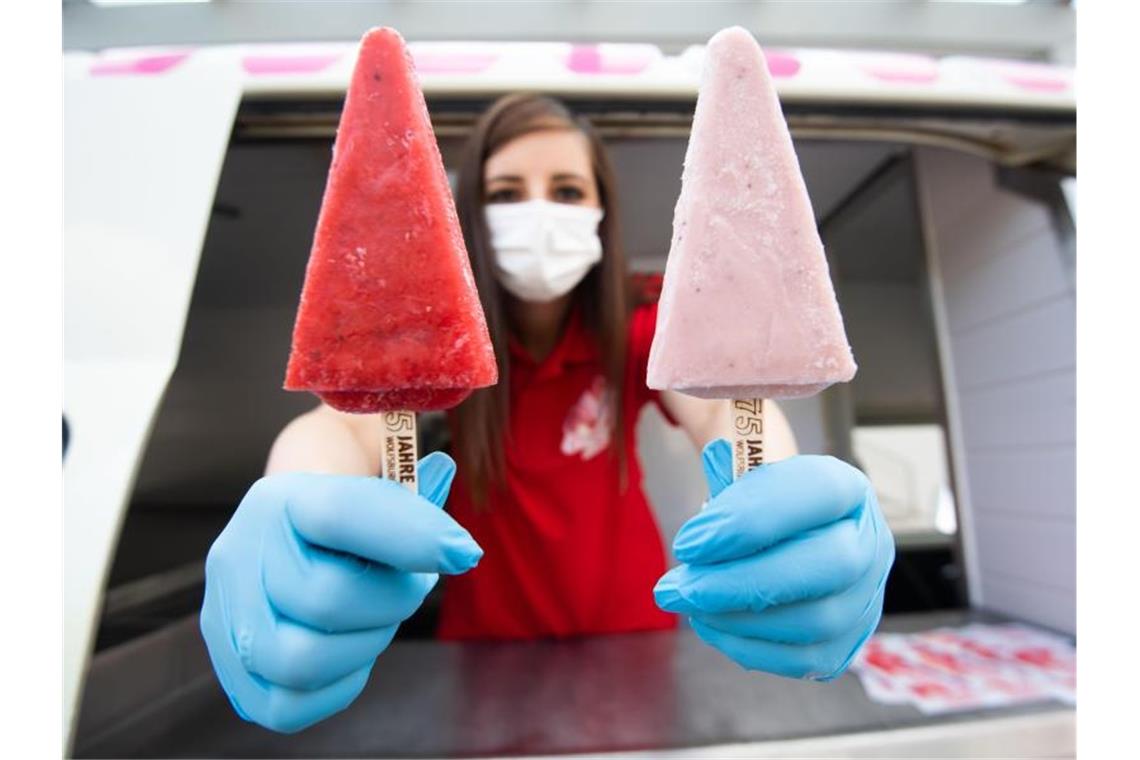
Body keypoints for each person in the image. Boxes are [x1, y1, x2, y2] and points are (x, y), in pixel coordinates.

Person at [200, 93, 895, 733]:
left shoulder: (638, 326)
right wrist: (295, 496)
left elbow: (721, 414)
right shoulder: (444, 353)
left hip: (637, 632)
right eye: (506, 193)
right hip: (484, 650)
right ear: (469, 212)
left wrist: (783, 501)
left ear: (601, 211)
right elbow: (343, 426)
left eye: (566, 191)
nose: (539, 212)